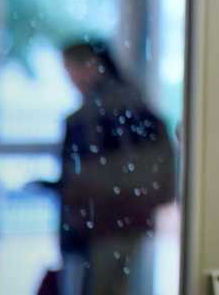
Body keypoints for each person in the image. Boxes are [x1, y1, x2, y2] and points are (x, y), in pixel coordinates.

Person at [35, 38, 177, 295]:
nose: (70, 79)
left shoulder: (100, 117)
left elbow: (103, 174)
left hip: (105, 224)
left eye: (70, 69)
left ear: (92, 67)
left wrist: (71, 190)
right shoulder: (135, 107)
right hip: (126, 222)